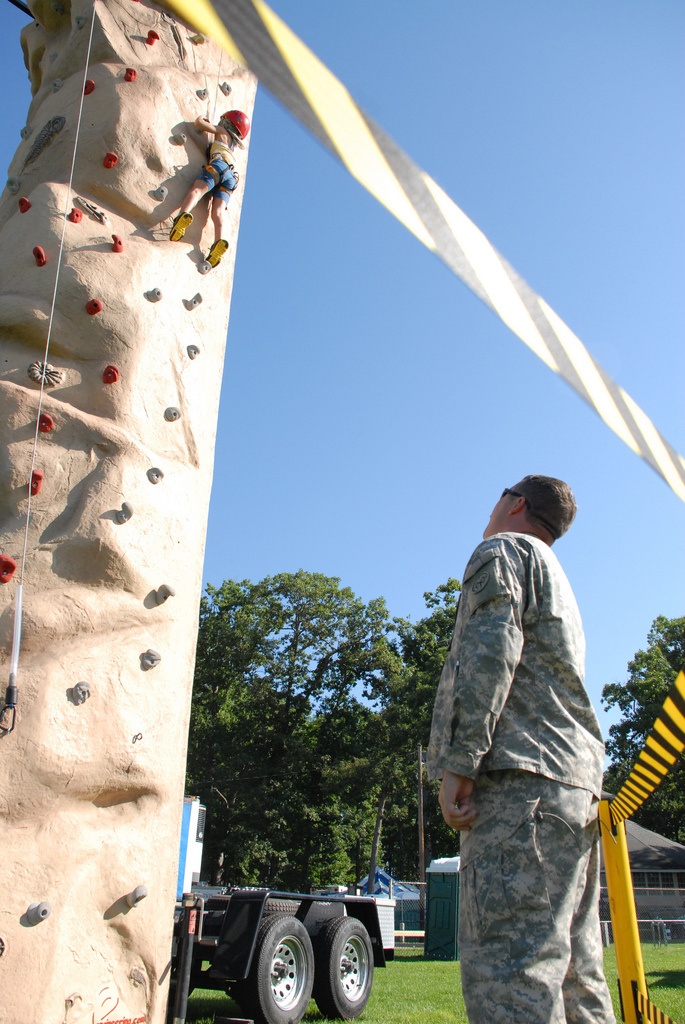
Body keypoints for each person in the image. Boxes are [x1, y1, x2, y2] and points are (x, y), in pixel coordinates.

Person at [427, 476, 615, 1024]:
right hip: (574, 793)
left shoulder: (503, 550)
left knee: (510, 977)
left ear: (515, 504)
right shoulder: (558, 579)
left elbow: (490, 654)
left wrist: (462, 762)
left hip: (520, 790)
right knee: (577, 977)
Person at [169, 109, 250, 269]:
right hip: (231, 177)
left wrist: (201, 118)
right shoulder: (232, 145)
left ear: (227, 122)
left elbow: (199, 124)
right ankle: (218, 242)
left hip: (218, 165)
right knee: (218, 212)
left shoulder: (221, 131)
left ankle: (182, 216)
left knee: (197, 191)